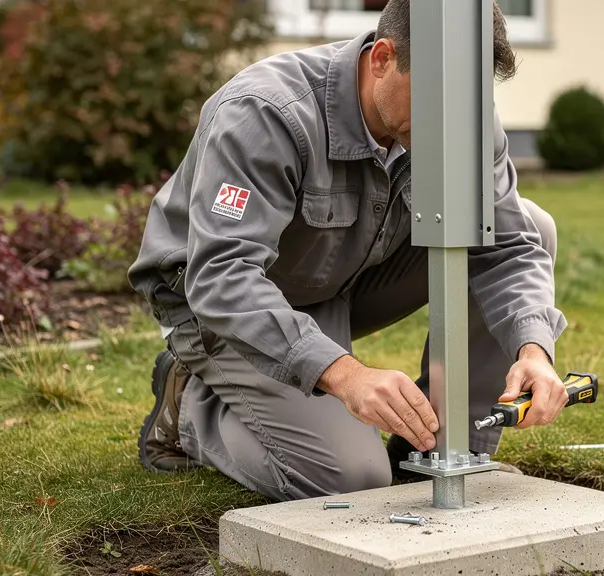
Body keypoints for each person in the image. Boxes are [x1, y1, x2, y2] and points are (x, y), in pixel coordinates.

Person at [127, 0, 568, 502]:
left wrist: (533, 348)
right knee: (351, 480)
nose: (453, 119)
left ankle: (440, 446)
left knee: (533, 224)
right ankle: (189, 411)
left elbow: (509, 246)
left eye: (467, 97)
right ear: (382, 59)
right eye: (437, 96)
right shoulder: (267, 113)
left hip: (341, 280)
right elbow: (221, 274)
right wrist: (346, 374)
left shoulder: (463, 117)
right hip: (219, 306)